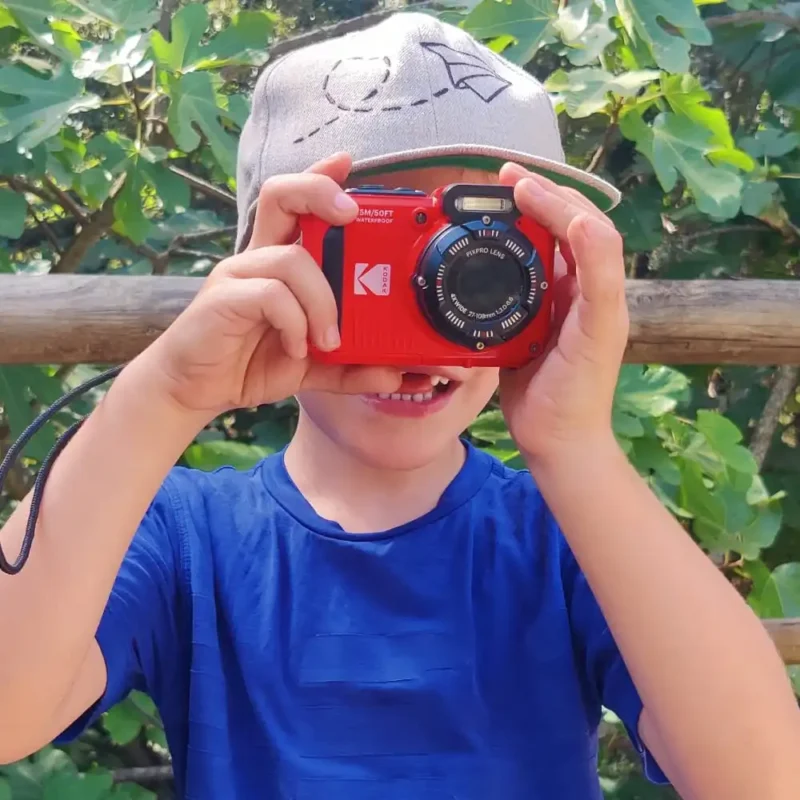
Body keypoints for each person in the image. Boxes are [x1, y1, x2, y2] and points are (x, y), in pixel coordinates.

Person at [1, 12, 798, 800]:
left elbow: (762, 780)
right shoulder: (183, 536)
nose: (438, 307)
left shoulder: (568, 530)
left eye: (488, 265)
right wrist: (164, 395)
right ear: (259, 266)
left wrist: (577, 448)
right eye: (381, 247)